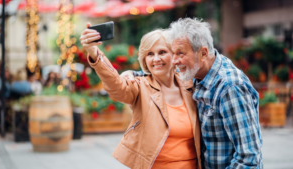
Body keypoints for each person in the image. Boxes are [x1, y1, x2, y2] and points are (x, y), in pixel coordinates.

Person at [122, 18, 263, 169]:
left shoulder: (230, 87)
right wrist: (131, 73)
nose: (174, 61)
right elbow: (161, 73)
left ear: (203, 53)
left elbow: (248, 159)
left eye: (180, 54)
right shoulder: (196, 70)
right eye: (173, 53)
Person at [80, 23, 202, 169]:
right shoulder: (139, 86)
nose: (156, 58)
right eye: (150, 54)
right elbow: (116, 86)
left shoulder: (191, 85)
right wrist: (94, 52)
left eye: (162, 52)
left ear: (174, 54)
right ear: (145, 59)